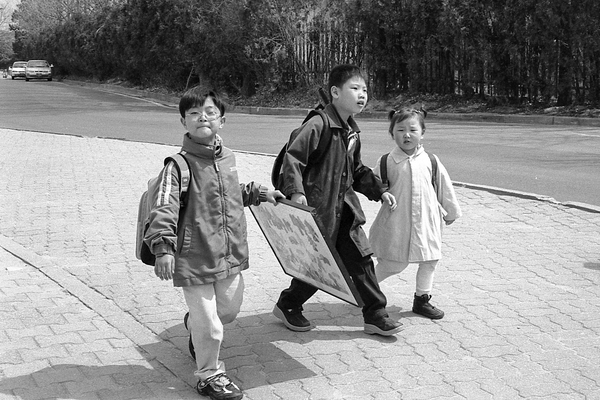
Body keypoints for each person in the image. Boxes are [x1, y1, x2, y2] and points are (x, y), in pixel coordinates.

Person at [144, 87, 284, 400]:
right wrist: (163, 249)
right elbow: (164, 207)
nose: (202, 118)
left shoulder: (228, 158)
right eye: (194, 113)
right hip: (193, 257)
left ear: (222, 120)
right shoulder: (177, 166)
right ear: (183, 121)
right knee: (210, 325)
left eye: (209, 112)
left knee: (229, 311)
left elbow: (234, 193)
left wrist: (263, 193)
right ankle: (209, 375)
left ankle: (195, 326)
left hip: (229, 254)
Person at [272, 64, 402, 337]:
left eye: (364, 89)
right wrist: (297, 194)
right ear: (335, 92)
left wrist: (379, 191)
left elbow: (356, 170)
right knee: (320, 267)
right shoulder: (318, 124)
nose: (362, 95)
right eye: (354, 88)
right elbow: (292, 159)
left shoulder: (351, 131)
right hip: (318, 212)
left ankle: (376, 315)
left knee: (361, 259)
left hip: (345, 211)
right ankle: (289, 303)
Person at [369, 108, 462, 320]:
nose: (406, 134)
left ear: (422, 133)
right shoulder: (387, 161)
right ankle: (364, 289)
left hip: (426, 221)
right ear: (392, 133)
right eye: (400, 129)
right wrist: (380, 192)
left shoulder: (431, 160)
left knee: (430, 260)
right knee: (393, 264)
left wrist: (451, 211)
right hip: (397, 223)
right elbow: (371, 184)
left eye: (412, 129)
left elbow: (443, 187)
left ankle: (422, 299)